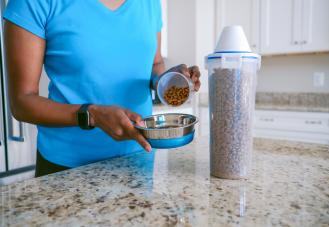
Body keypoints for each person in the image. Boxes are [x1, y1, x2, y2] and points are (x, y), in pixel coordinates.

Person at [4, 0, 201, 177]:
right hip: (67, 168)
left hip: (137, 161)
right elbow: (22, 102)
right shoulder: (33, 3)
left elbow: (154, 64)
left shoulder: (149, 3)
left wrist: (168, 80)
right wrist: (93, 115)